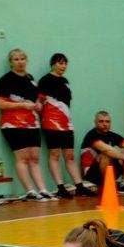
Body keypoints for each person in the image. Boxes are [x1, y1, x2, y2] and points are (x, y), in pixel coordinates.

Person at [0, 48, 50, 201]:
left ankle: (43, 189)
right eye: (16, 59)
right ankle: (30, 191)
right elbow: (0, 103)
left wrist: (38, 105)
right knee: (22, 158)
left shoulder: (30, 78)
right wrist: (22, 106)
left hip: (32, 123)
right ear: (11, 62)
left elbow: (37, 98)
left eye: (22, 59)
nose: (20, 62)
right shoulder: (5, 80)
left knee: (34, 158)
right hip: (12, 124)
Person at [37, 53, 93, 199]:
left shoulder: (65, 81)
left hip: (66, 123)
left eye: (65, 63)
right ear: (53, 64)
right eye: (60, 63)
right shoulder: (45, 80)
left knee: (69, 155)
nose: (63, 66)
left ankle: (79, 186)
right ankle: (60, 187)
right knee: (55, 154)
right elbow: (40, 101)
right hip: (51, 123)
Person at [79, 111, 124, 186]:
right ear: (95, 122)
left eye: (107, 121)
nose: (105, 124)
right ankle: (109, 186)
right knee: (106, 155)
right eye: (101, 121)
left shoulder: (111, 135)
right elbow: (107, 150)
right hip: (92, 175)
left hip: (109, 170)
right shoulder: (91, 135)